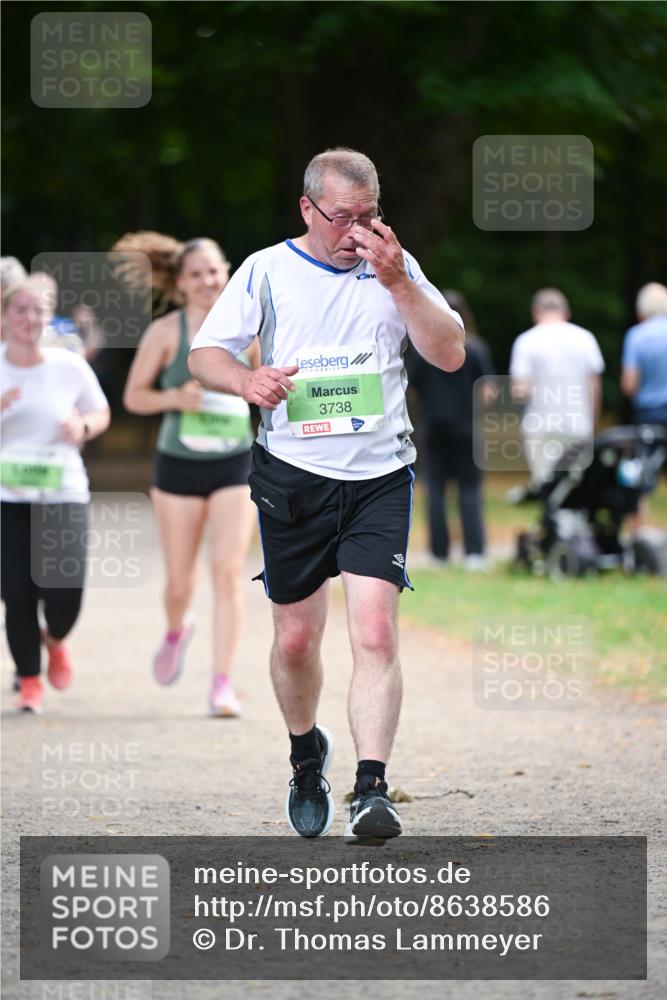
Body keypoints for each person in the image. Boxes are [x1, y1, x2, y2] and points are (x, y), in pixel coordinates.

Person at [189, 148, 465, 843]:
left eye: (368, 216)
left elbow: (450, 352)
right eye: (342, 218)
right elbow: (207, 354)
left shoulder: (392, 265)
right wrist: (244, 383)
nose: (355, 233)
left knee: (373, 630)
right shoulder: (265, 270)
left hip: (378, 474)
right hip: (292, 477)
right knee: (293, 641)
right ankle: (305, 754)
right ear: (307, 209)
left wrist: (400, 282)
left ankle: (371, 789)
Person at [119, 233, 257, 717]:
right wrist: (174, 397)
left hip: (235, 464)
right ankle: (178, 628)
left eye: (214, 271)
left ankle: (222, 683)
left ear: (227, 271)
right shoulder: (167, 332)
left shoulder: (250, 329)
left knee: (227, 572)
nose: (207, 281)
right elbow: (134, 397)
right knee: (179, 582)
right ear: (180, 282)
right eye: (195, 274)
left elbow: (270, 391)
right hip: (178, 466)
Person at [0, 277, 110, 713]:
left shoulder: (68, 365)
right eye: (20, 310)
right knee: (18, 595)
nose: (29, 318)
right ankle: (30, 680)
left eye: (38, 310)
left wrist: (82, 427)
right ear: (5, 316)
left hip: (62, 491)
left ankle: (57, 639)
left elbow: (99, 411)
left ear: (50, 315)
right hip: (8, 497)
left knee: (65, 592)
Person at [408, 290, 494, 570]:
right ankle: (474, 553)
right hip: (467, 427)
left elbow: (411, 387)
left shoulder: (424, 348)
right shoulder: (476, 348)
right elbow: (489, 391)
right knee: (469, 489)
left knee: (435, 490)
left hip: (433, 427)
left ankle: (440, 554)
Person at [509, 288, 605, 486]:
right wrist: (592, 421)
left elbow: (519, 391)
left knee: (546, 486)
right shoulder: (585, 338)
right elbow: (594, 385)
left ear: (535, 312)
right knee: (574, 488)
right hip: (578, 424)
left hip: (541, 425)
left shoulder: (526, 341)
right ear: (567, 312)